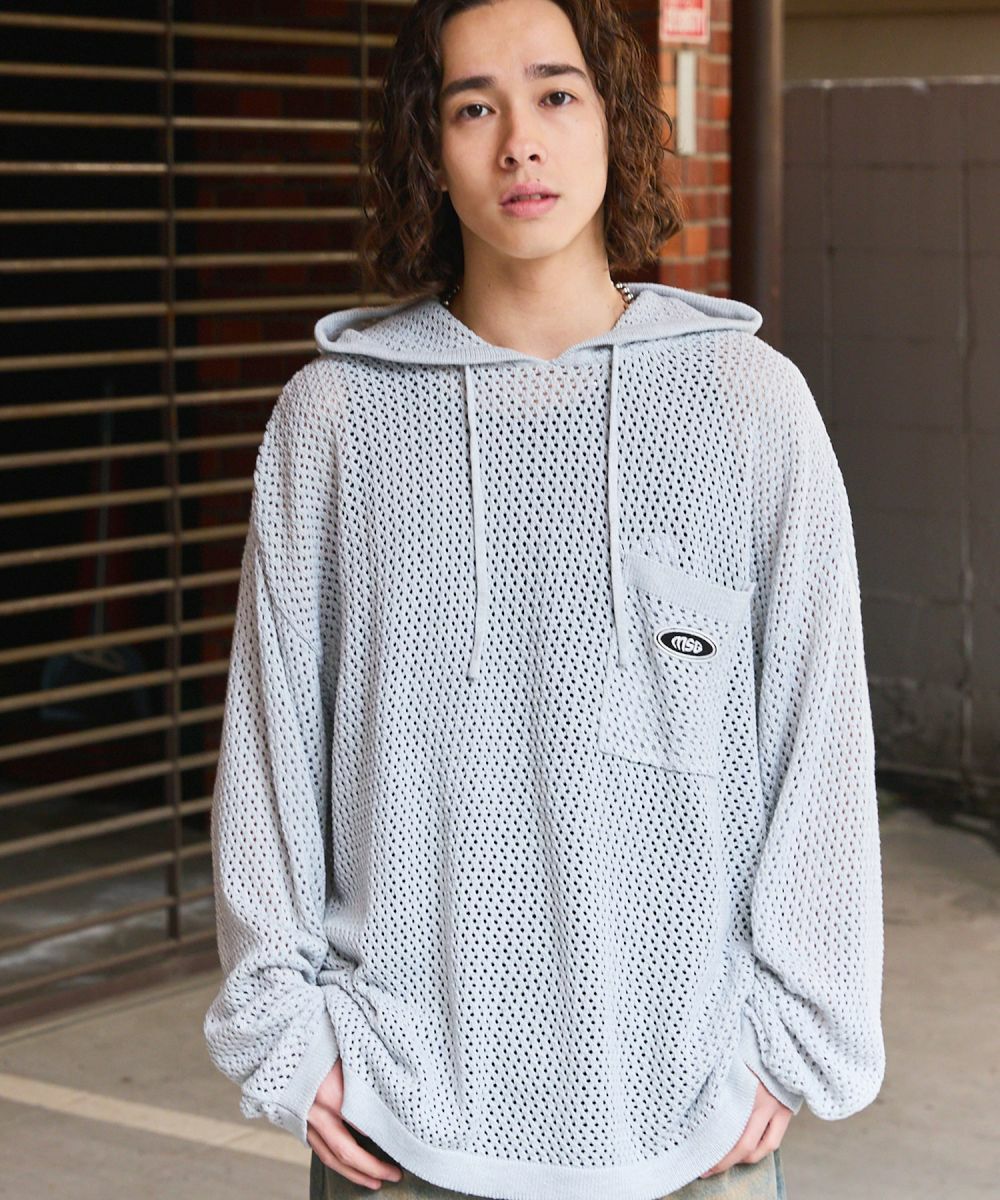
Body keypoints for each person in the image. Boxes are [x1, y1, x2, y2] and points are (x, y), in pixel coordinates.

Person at [202, 0, 886, 1197]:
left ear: (612, 122)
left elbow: (818, 740)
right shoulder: (335, 421)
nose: (520, 139)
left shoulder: (747, 405)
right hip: (399, 1116)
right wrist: (287, 1038)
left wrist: (790, 1039)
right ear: (430, 148)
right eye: (474, 107)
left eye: (556, 94)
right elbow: (270, 749)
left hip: (690, 1116)